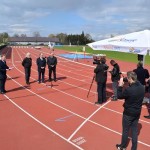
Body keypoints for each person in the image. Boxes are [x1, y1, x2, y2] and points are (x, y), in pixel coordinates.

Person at [116, 71, 145, 150]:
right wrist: (127, 80)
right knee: (134, 132)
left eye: (128, 79)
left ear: (130, 79)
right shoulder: (142, 87)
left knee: (125, 130)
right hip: (137, 112)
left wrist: (120, 86)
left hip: (128, 113)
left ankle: (123, 146)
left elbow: (119, 96)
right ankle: (134, 148)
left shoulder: (129, 90)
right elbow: (135, 84)